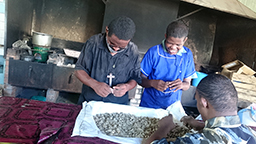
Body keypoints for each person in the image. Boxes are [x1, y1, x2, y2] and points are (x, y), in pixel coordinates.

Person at [145, 74, 256, 144]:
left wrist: (164, 127)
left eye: (197, 100)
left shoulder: (196, 141)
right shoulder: (251, 133)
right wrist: (204, 126)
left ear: (204, 102)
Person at [75, 16, 141, 105]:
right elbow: (79, 70)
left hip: (118, 104)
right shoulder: (93, 43)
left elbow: (135, 78)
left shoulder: (133, 51)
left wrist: (127, 87)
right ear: (107, 30)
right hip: (90, 101)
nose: (116, 49)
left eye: (121, 47)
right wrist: (95, 84)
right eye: (112, 43)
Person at [139, 21, 196, 109]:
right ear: (165, 36)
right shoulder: (154, 52)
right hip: (150, 104)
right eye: (169, 43)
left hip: (173, 106)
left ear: (185, 40)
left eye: (178, 45)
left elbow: (187, 84)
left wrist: (181, 85)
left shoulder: (187, 55)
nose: (173, 48)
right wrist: (152, 83)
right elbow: (140, 80)